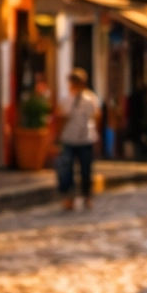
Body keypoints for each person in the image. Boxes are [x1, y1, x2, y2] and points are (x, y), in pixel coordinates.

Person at [57, 67, 101, 212]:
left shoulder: (89, 98)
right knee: (69, 170)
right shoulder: (67, 98)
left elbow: (96, 116)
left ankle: (85, 196)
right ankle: (72, 198)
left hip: (84, 138)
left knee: (84, 169)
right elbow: (60, 116)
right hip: (72, 138)